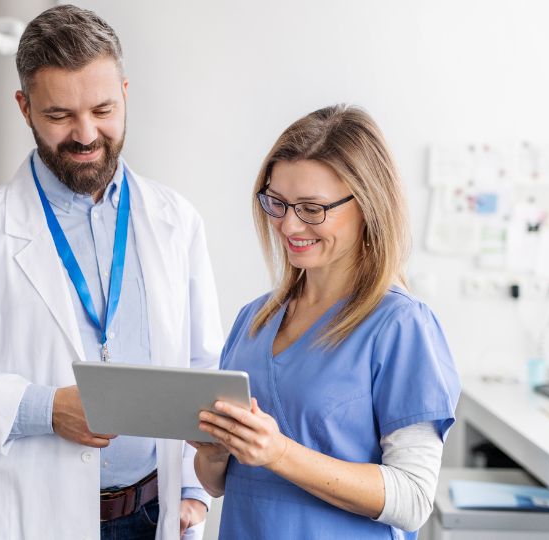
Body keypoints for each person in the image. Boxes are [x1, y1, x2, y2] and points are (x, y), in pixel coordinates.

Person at [0, 5, 221, 540]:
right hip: (27, 519)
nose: (86, 134)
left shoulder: (173, 220)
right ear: (24, 107)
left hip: (154, 515)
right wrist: (42, 409)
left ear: (126, 94)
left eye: (103, 109)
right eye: (60, 115)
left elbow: (203, 364)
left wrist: (192, 494)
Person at [191, 105, 461, 539]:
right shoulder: (253, 321)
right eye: (276, 203)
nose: (289, 225)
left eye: (312, 209)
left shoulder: (400, 326)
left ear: (368, 205)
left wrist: (278, 452)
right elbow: (218, 484)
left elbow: (413, 498)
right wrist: (215, 453)